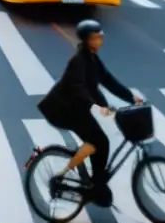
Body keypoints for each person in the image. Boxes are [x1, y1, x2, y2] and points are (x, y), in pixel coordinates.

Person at [38, 20, 142, 206]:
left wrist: (131, 97)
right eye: (95, 37)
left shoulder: (92, 58)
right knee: (100, 141)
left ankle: (95, 182)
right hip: (64, 110)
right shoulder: (78, 60)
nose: (99, 40)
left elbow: (108, 80)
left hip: (76, 108)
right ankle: (94, 186)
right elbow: (78, 88)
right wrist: (96, 106)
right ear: (87, 40)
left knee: (97, 140)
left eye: (100, 36)